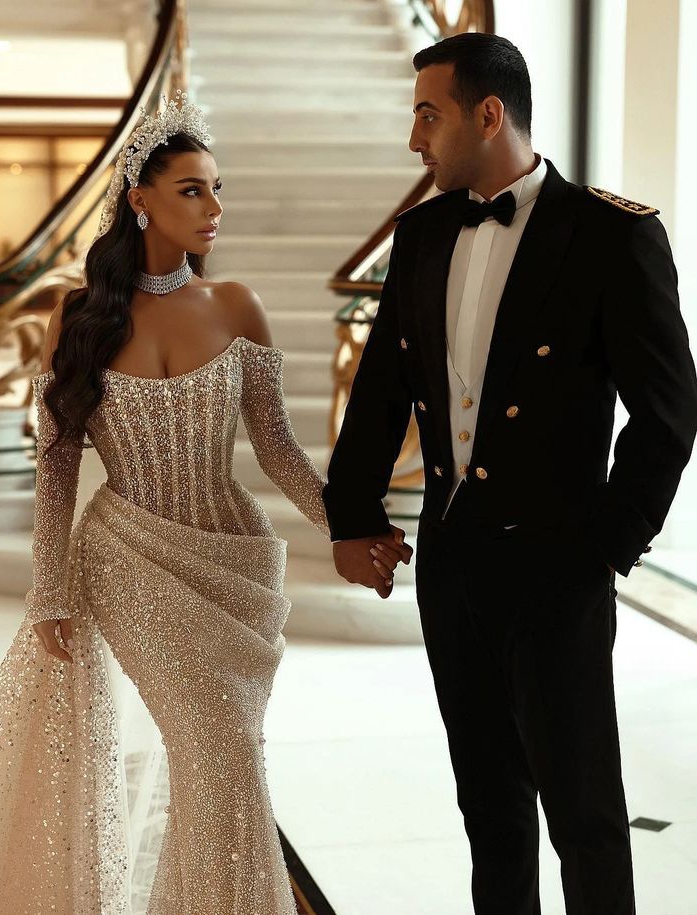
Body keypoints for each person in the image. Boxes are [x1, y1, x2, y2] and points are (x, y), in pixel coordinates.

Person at [0, 93, 409, 913]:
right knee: (217, 750)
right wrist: (51, 583)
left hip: (234, 560)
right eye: (192, 189)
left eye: (217, 187)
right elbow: (57, 463)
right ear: (141, 201)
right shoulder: (81, 317)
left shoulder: (236, 305)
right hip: (130, 561)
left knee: (228, 754)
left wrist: (352, 525)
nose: (214, 208)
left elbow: (276, 449)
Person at [323, 33, 697, 915]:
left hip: (555, 564)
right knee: (488, 808)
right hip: (451, 561)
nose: (415, 139)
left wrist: (607, 544)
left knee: (583, 813)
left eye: (428, 114)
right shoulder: (417, 235)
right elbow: (381, 390)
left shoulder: (611, 234)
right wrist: (351, 514)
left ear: (488, 115)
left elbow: (668, 408)